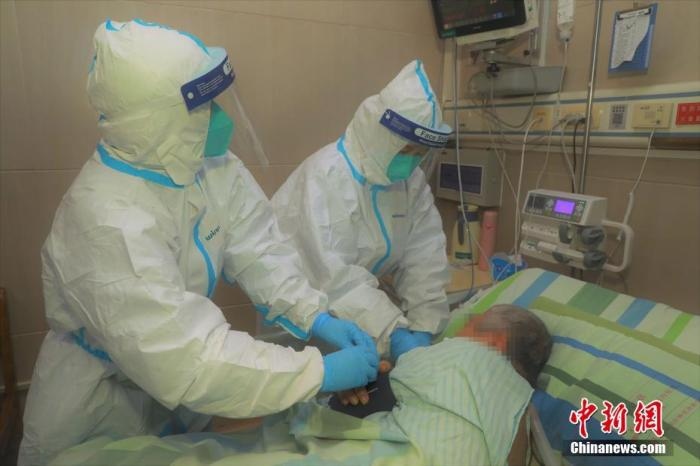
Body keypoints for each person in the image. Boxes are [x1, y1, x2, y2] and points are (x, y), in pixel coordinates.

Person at [19, 19, 378, 466]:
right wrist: (318, 372)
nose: (221, 118)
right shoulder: (103, 220)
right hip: (101, 409)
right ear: (157, 120)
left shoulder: (209, 166)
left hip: (182, 401)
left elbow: (262, 253)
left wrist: (316, 315)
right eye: (205, 105)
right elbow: (189, 357)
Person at [271, 60, 454, 363]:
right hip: (303, 316)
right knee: (303, 385)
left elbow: (425, 254)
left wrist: (424, 325)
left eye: (420, 153)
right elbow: (334, 277)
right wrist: (393, 333)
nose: (412, 161)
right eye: (406, 150)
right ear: (383, 137)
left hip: (362, 318)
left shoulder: (410, 182)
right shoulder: (326, 177)